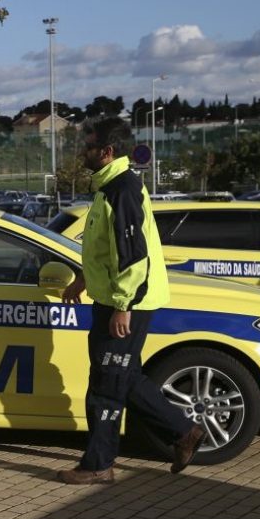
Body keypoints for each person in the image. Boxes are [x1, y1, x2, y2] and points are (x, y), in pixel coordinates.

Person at [59, 116, 205, 484]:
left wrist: (124, 305)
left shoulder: (122, 189)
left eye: (89, 146)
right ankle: (184, 431)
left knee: (106, 385)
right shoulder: (108, 188)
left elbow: (133, 256)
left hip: (127, 303)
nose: (83, 152)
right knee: (125, 377)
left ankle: (99, 465)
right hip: (114, 298)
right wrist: (82, 278)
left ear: (107, 152)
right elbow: (104, 250)